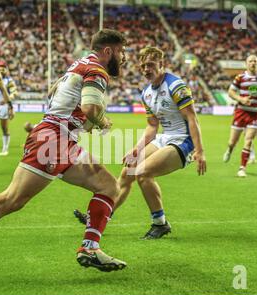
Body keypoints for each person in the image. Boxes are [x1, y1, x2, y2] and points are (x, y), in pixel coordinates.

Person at [0, 29, 128, 282]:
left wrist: (75, 121)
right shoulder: (97, 70)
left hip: (60, 138)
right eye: (121, 51)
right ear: (108, 51)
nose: (123, 57)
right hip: (53, 139)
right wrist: (102, 121)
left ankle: (90, 247)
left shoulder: (79, 64)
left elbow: (53, 91)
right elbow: (89, 107)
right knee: (12, 200)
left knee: (108, 186)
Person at [74, 46, 206, 239]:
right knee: (128, 172)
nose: (146, 69)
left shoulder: (175, 86)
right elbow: (152, 126)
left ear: (161, 64)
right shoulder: (146, 92)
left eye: (151, 65)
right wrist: (136, 150)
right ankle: (102, 216)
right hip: (165, 137)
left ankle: (160, 223)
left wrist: (200, 151)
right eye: (143, 66)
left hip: (183, 141)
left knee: (143, 173)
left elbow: (193, 118)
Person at [222, 55, 257, 177]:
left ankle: (242, 168)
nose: (253, 63)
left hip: (255, 114)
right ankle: (229, 149)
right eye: (250, 61)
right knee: (232, 142)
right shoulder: (240, 78)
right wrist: (241, 99)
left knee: (248, 140)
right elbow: (230, 92)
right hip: (241, 112)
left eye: (255, 61)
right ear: (246, 64)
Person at [0, 60, 18, 156]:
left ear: (6, 70)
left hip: (4, 107)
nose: (1, 71)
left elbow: (15, 92)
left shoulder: (9, 81)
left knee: (4, 128)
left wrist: (7, 101)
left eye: (3, 69)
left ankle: (5, 149)